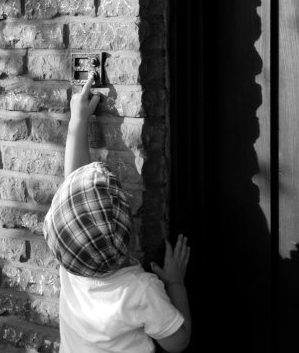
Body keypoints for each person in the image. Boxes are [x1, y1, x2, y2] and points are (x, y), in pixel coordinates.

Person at [43, 73, 191, 353]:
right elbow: (178, 341)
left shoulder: (74, 266)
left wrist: (79, 121)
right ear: (129, 232)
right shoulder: (140, 290)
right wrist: (175, 283)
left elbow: (74, 183)